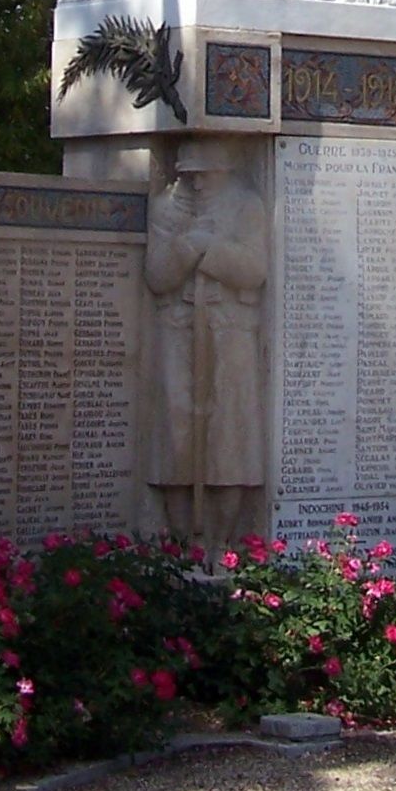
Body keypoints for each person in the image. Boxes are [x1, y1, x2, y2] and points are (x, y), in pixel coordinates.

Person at [143, 138, 269, 546]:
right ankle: (182, 542)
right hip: (178, 327)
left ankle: (223, 543)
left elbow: (254, 270)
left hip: (229, 329)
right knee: (176, 433)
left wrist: (210, 248)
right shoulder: (166, 206)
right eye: (188, 175)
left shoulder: (246, 205)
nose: (196, 184)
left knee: (229, 437)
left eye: (205, 174)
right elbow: (158, 276)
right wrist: (185, 246)